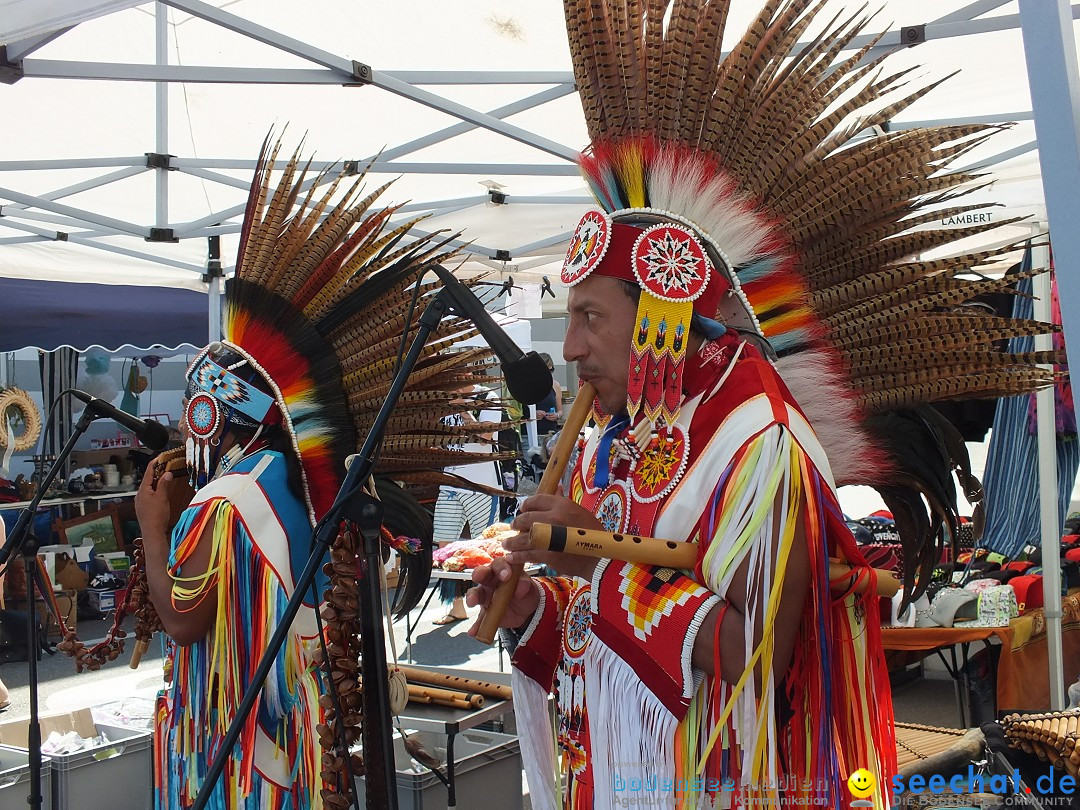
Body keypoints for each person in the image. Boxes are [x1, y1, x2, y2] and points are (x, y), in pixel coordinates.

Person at [465, 2, 1056, 808]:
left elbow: (758, 653)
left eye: (588, 317)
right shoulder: (624, 437)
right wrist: (534, 604)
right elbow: (598, 633)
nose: (567, 349)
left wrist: (595, 563)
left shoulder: (757, 443)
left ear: (664, 313)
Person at [132, 140, 485, 810]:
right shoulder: (286, 480)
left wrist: (154, 527)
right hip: (292, 728)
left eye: (191, 411)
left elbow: (183, 620)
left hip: (240, 742)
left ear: (213, 414)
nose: (183, 430)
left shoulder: (227, 501)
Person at [432, 380, 502, 625]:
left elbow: (485, 437)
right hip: (451, 481)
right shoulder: (445, 401)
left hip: (481, 485)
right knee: (445, 547)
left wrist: (461, 408)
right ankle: (457, 607)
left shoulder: (488, 396)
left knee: (487, 548)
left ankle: (491, 609)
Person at [533, 352, 563, 438]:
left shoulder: (555, 385)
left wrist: (556, 415)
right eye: (544, 370)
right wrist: (533, 413)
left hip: (550, 432)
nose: (548, 373)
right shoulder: (529, 385)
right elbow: (521, 410)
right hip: (532, 433)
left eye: (551, 370)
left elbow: (560, 411)